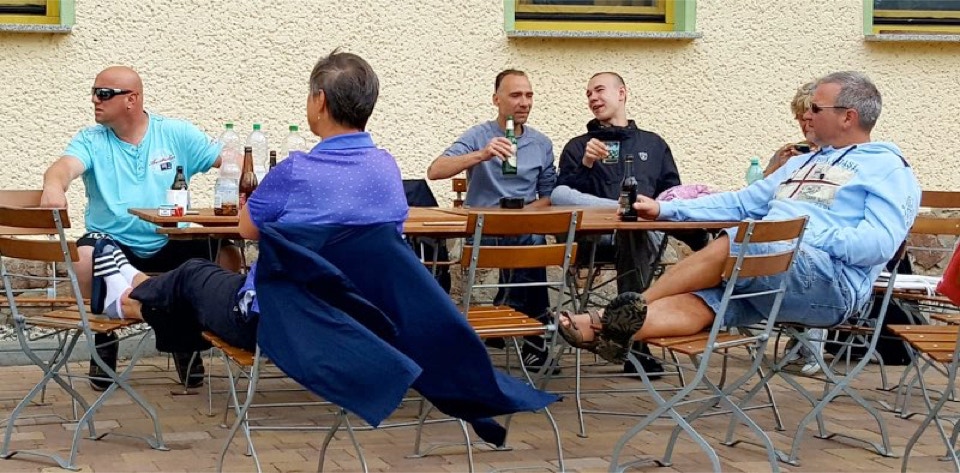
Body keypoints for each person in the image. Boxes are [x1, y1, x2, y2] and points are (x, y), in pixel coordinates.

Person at [91, 50, 558, 445]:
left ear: (319, 101)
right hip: (358, 324)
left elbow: (247, 229)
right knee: (190, 286)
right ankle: (129, 292)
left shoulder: (294, 172)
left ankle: (126, 293)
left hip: (278, 324)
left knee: (196, 274)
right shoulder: (385, 168)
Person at [557, 71, 921, 368]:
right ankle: (606, 328)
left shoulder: (887, 168)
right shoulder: (802, 162)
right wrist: (666, 210)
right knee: (705, 301)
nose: (807, 115)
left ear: (848, 117)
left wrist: (793, 235)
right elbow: (742, 202)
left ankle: (628, 305)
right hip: (769, 272)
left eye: (815, 107)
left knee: (744, 239)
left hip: (832, 285)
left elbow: (877, 245)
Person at [39, 66, 241, 390]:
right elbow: (63, 167)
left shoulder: (175, 133)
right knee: (83, 258)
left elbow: (230, 161)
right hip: (113, 243)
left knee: (227, 256)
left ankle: (189, 340)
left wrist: (245, 178)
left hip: (170, 238)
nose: (94, 100)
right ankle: (103, 340)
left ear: (131, 99)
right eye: (94, 92)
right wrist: (53, 186)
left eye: (104, 93)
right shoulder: (91, 139)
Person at [550, 71, 707, 376]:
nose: (593, 98)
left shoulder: (653, 144)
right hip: (595, 241)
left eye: (599, 90)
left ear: (622, 93)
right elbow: (562, 198)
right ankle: (636, 343)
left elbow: (672, 195)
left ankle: (634, 339)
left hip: (644, 238)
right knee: (610, 215)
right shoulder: (578, 146)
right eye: (588, 94)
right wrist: (586, 164)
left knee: (634, 231)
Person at [426, 69, 558, 368]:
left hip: (524, 227)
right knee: (532, 241)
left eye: (529, 95)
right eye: (515, 95)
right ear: (496, 100)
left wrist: (523, 215)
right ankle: (530, 330)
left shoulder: (541, 143)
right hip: (483, 230)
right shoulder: (478, 136)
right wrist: (481, 155)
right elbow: (435, 170)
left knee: (533, 238)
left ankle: (517, 318)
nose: (524, 102)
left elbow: (550, 196)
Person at [764, 81, 821, 177]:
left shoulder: (839, 152)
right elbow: (760, 184)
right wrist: (780, 166)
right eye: (802, 119)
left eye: (811, 118)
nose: (807, 125)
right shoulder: (787, 152)